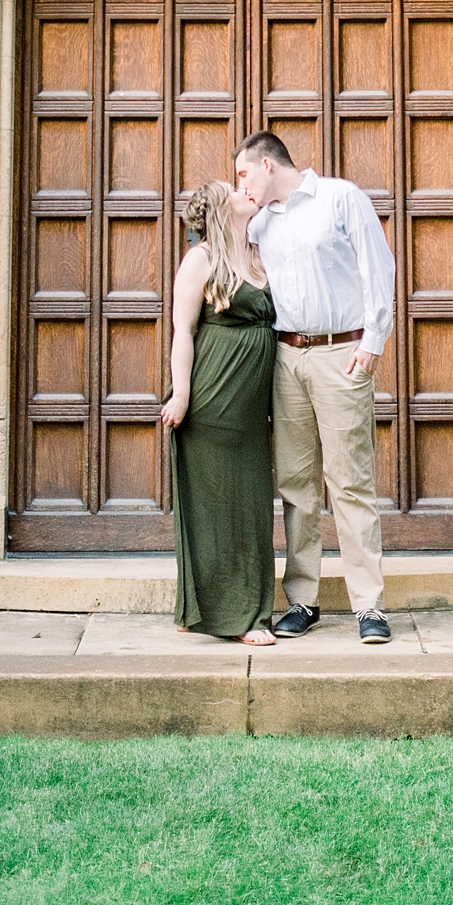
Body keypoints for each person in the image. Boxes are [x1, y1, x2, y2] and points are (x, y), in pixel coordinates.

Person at [235, 131, 396, 645]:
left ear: (267, 163)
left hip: (340, 354)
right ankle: (302, 600)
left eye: (243, 174)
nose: (241, 185)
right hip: (285, 357)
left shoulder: (340, 198)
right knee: (297, 487)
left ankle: (369, 606)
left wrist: (373, 339)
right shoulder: (258, 222)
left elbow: (379, 267)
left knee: (350, 481)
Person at [160, 179, 279, 645]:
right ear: (217, 208)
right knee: (217, 510)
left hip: (250, 414)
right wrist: (182, 395)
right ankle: (241, 619)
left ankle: (232, 608)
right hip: (213, 402)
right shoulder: (201, 260)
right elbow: (183, 332)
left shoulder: (257, 254)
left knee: (250, 509)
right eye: (234, 188)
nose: (244, 189)